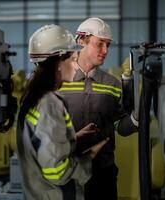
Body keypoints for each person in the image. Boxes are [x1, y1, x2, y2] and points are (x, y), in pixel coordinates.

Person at [16, 24, 108, 200]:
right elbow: (57, 172)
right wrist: (90, 157)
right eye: (73, 59)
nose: (76, 66)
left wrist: (75, 137)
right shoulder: (49, 104)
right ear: (58, 63)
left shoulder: (33, 97)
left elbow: (40, 141)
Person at [58, 17, 139, 200]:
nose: (105, 50)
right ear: (81, 41)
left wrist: (137, 110)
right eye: (100, 43)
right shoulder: (58, 81)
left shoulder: (112, 84)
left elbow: (121, 126)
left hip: (102, 174)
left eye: (108, 45)